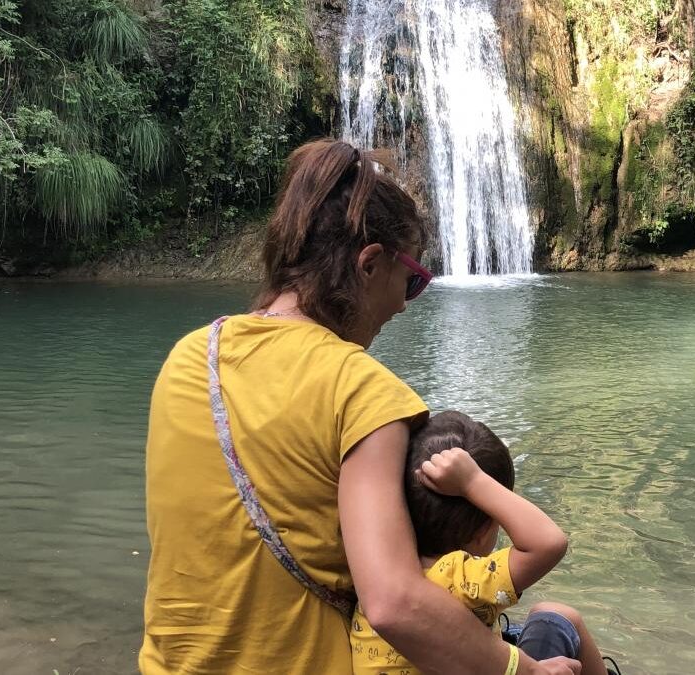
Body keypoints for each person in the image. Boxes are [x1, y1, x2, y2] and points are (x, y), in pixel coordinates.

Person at [140, 139, 580, 675]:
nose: (402, 304)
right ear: (370, 263)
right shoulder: (362, 391)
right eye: (412, 281)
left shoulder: (190, 355)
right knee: (558, 629)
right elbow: (394, 602)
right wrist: (525, 671)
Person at [351, 411, 612, 675]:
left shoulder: (371, 576)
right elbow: (549, 543)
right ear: (482, 531)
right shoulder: (461, 578)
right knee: (557, 615)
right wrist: (472, 482)